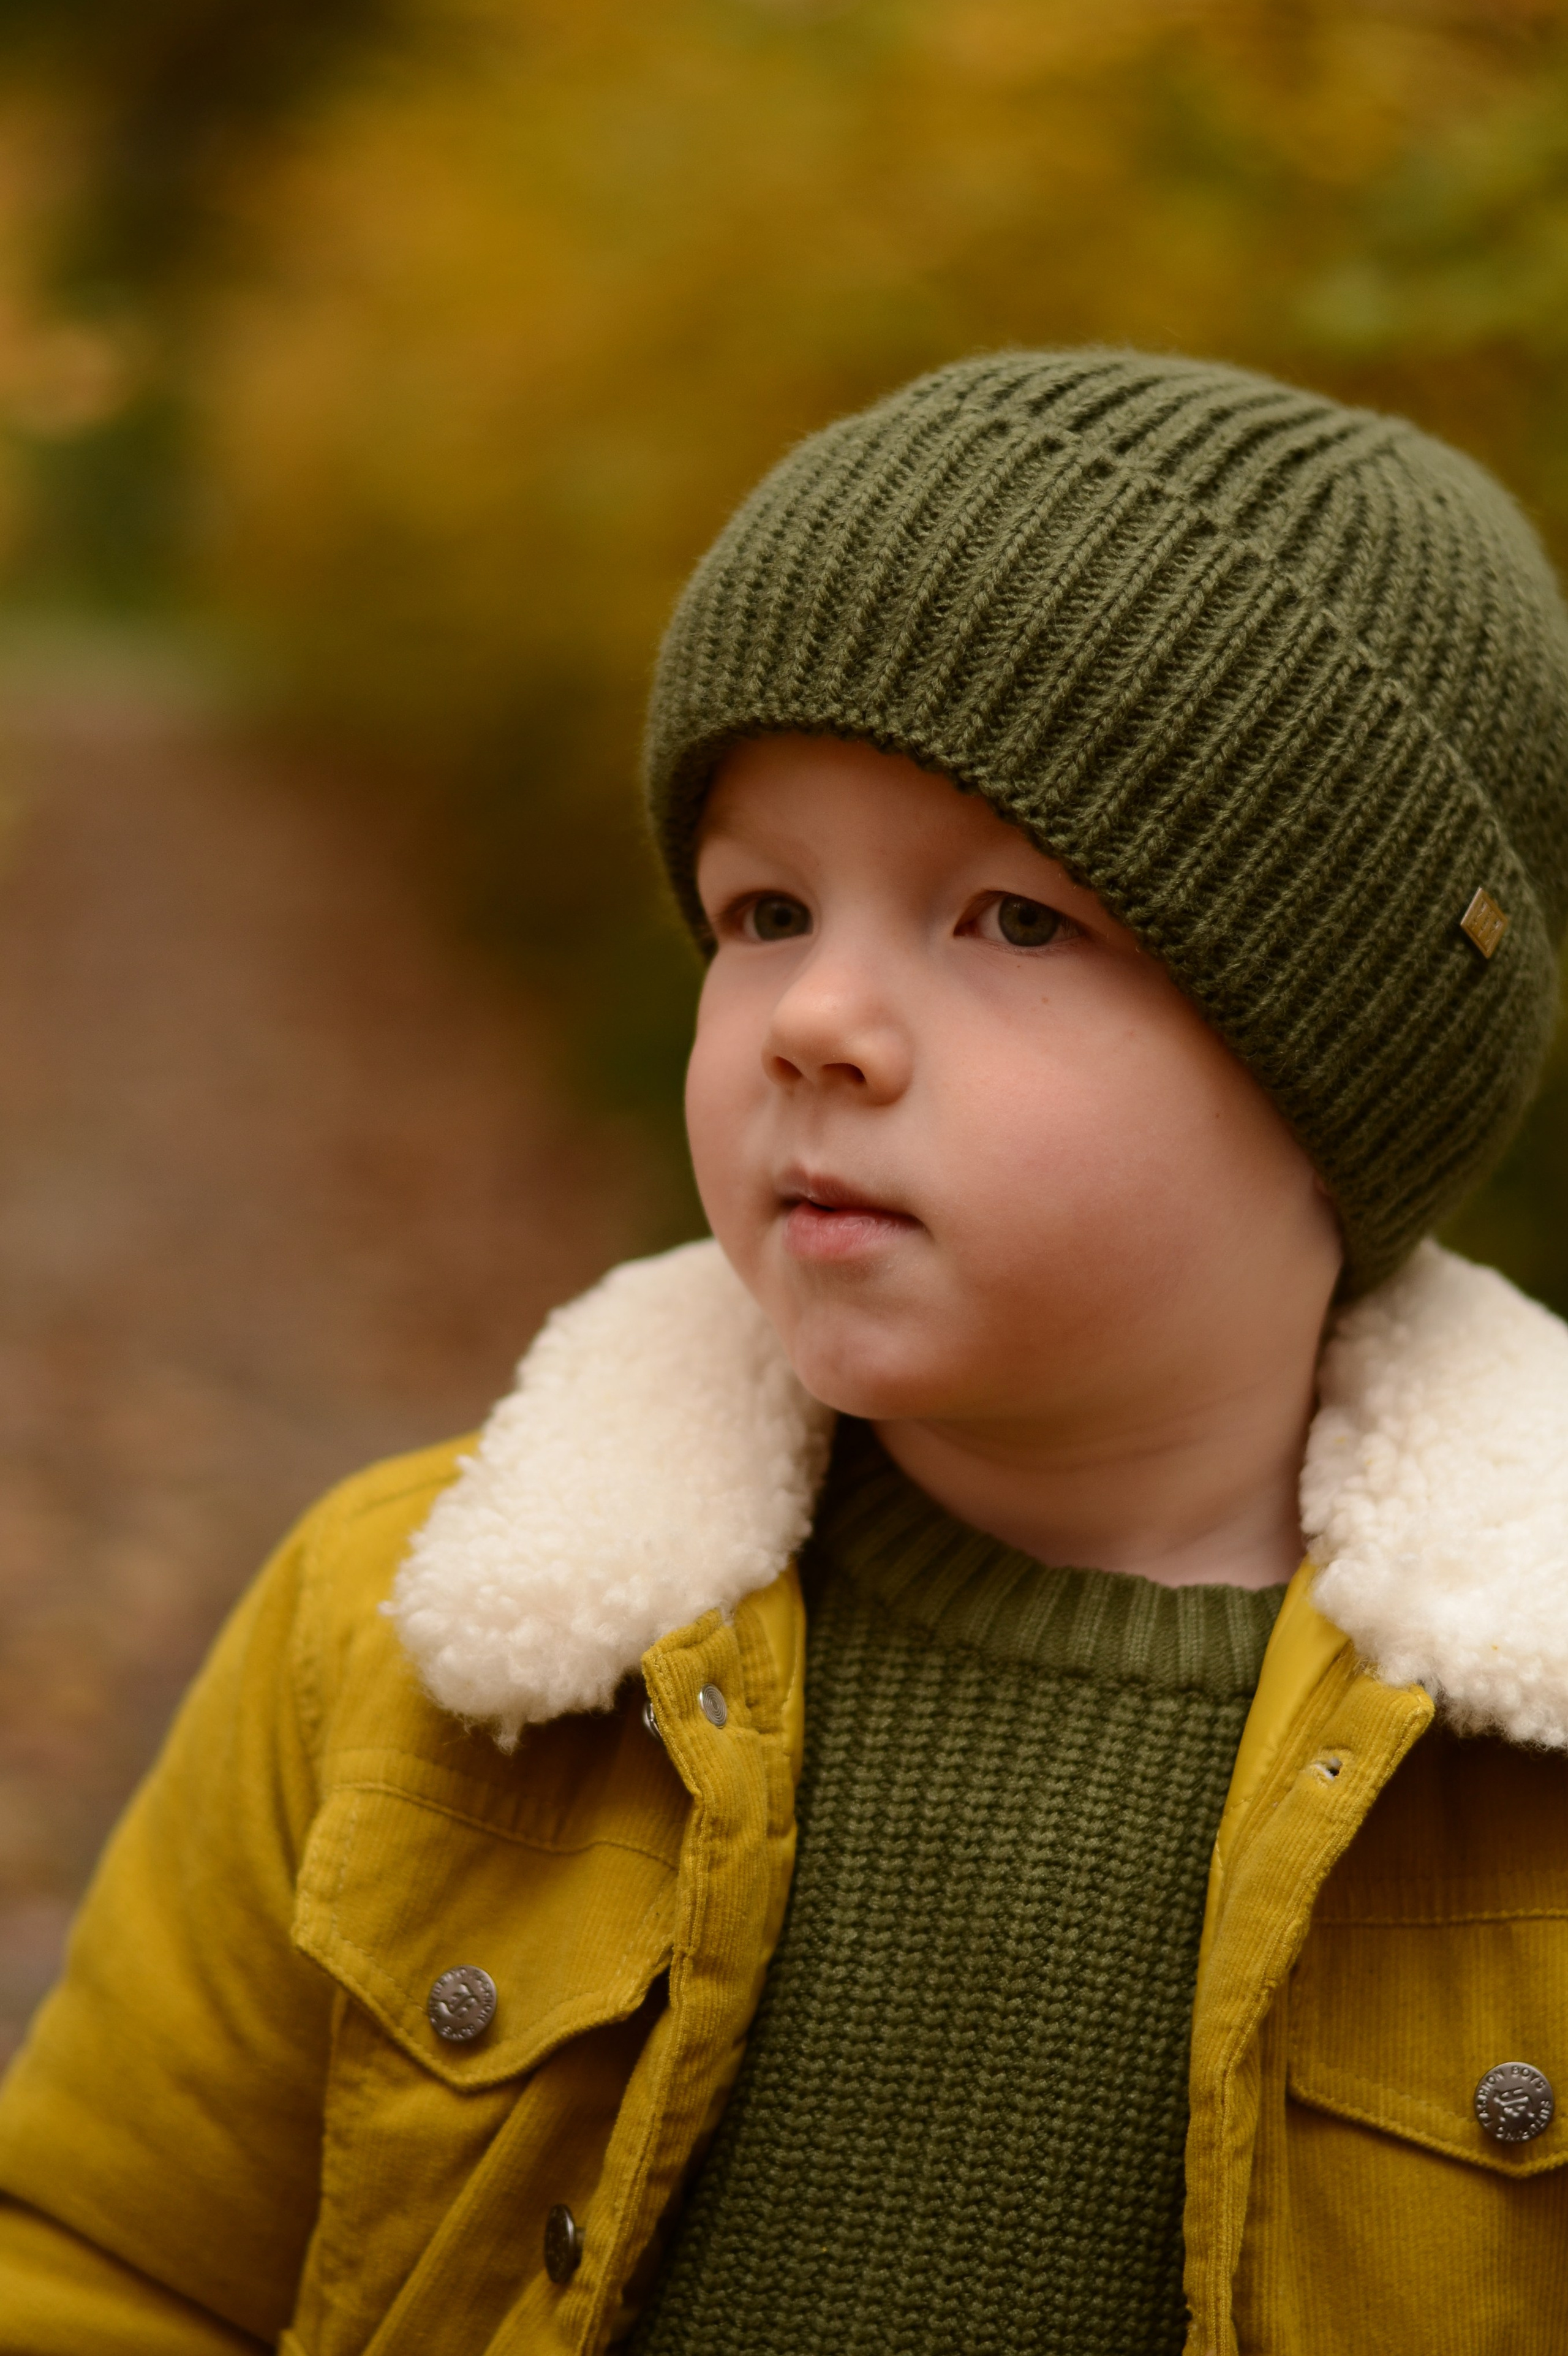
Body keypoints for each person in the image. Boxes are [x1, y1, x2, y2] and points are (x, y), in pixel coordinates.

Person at [2, 349, 1567, 2356]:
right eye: (764, 908)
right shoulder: (411, 1643)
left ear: (1344, 1073)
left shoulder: (1515, 1784)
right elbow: (106, 2258)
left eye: (1009, 920)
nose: (816, 1016)